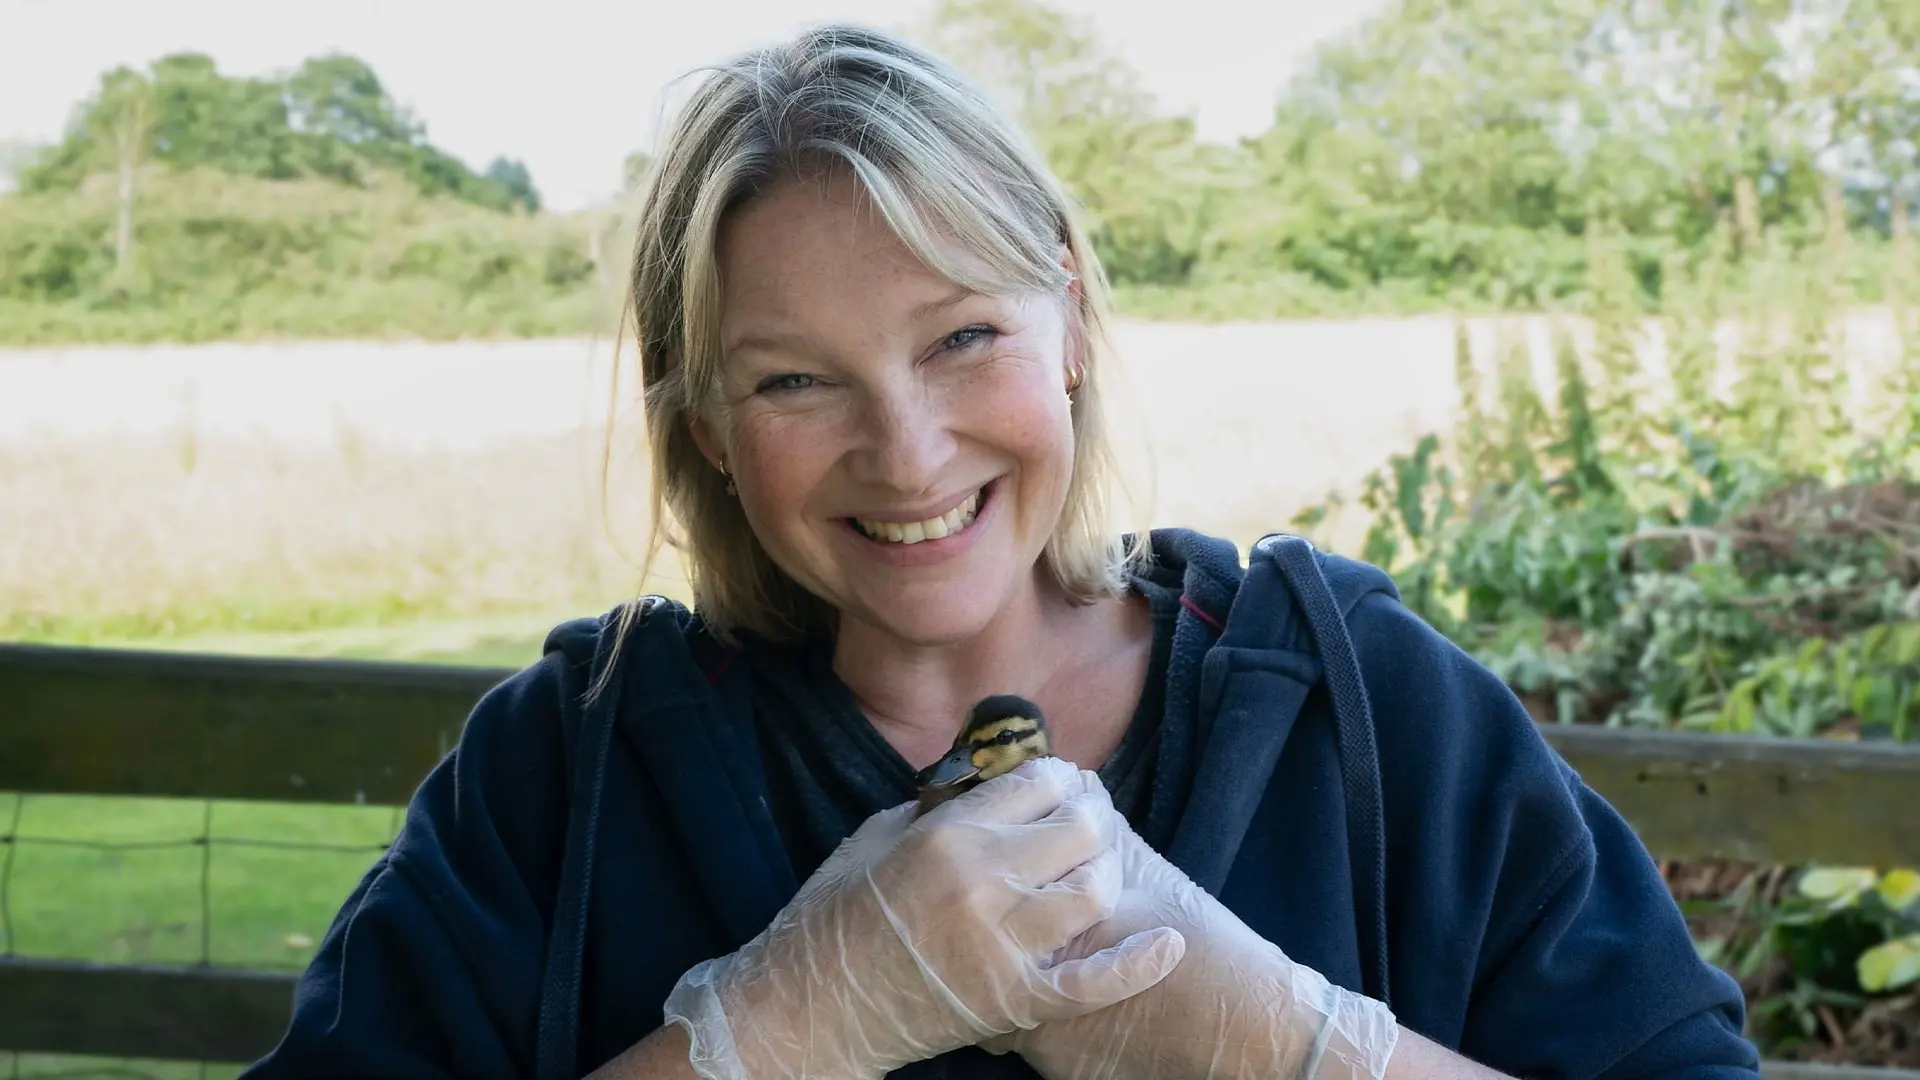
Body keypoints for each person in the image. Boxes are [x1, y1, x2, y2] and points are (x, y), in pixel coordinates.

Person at [239, 21, 1763, 1080]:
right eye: (794, 380)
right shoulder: (565, 775)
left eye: (963, 337)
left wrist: (1283, 1044)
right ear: (705, 423)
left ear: (1072, 319)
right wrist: (763, 1041)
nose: (907, 453)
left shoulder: (1363, 713)